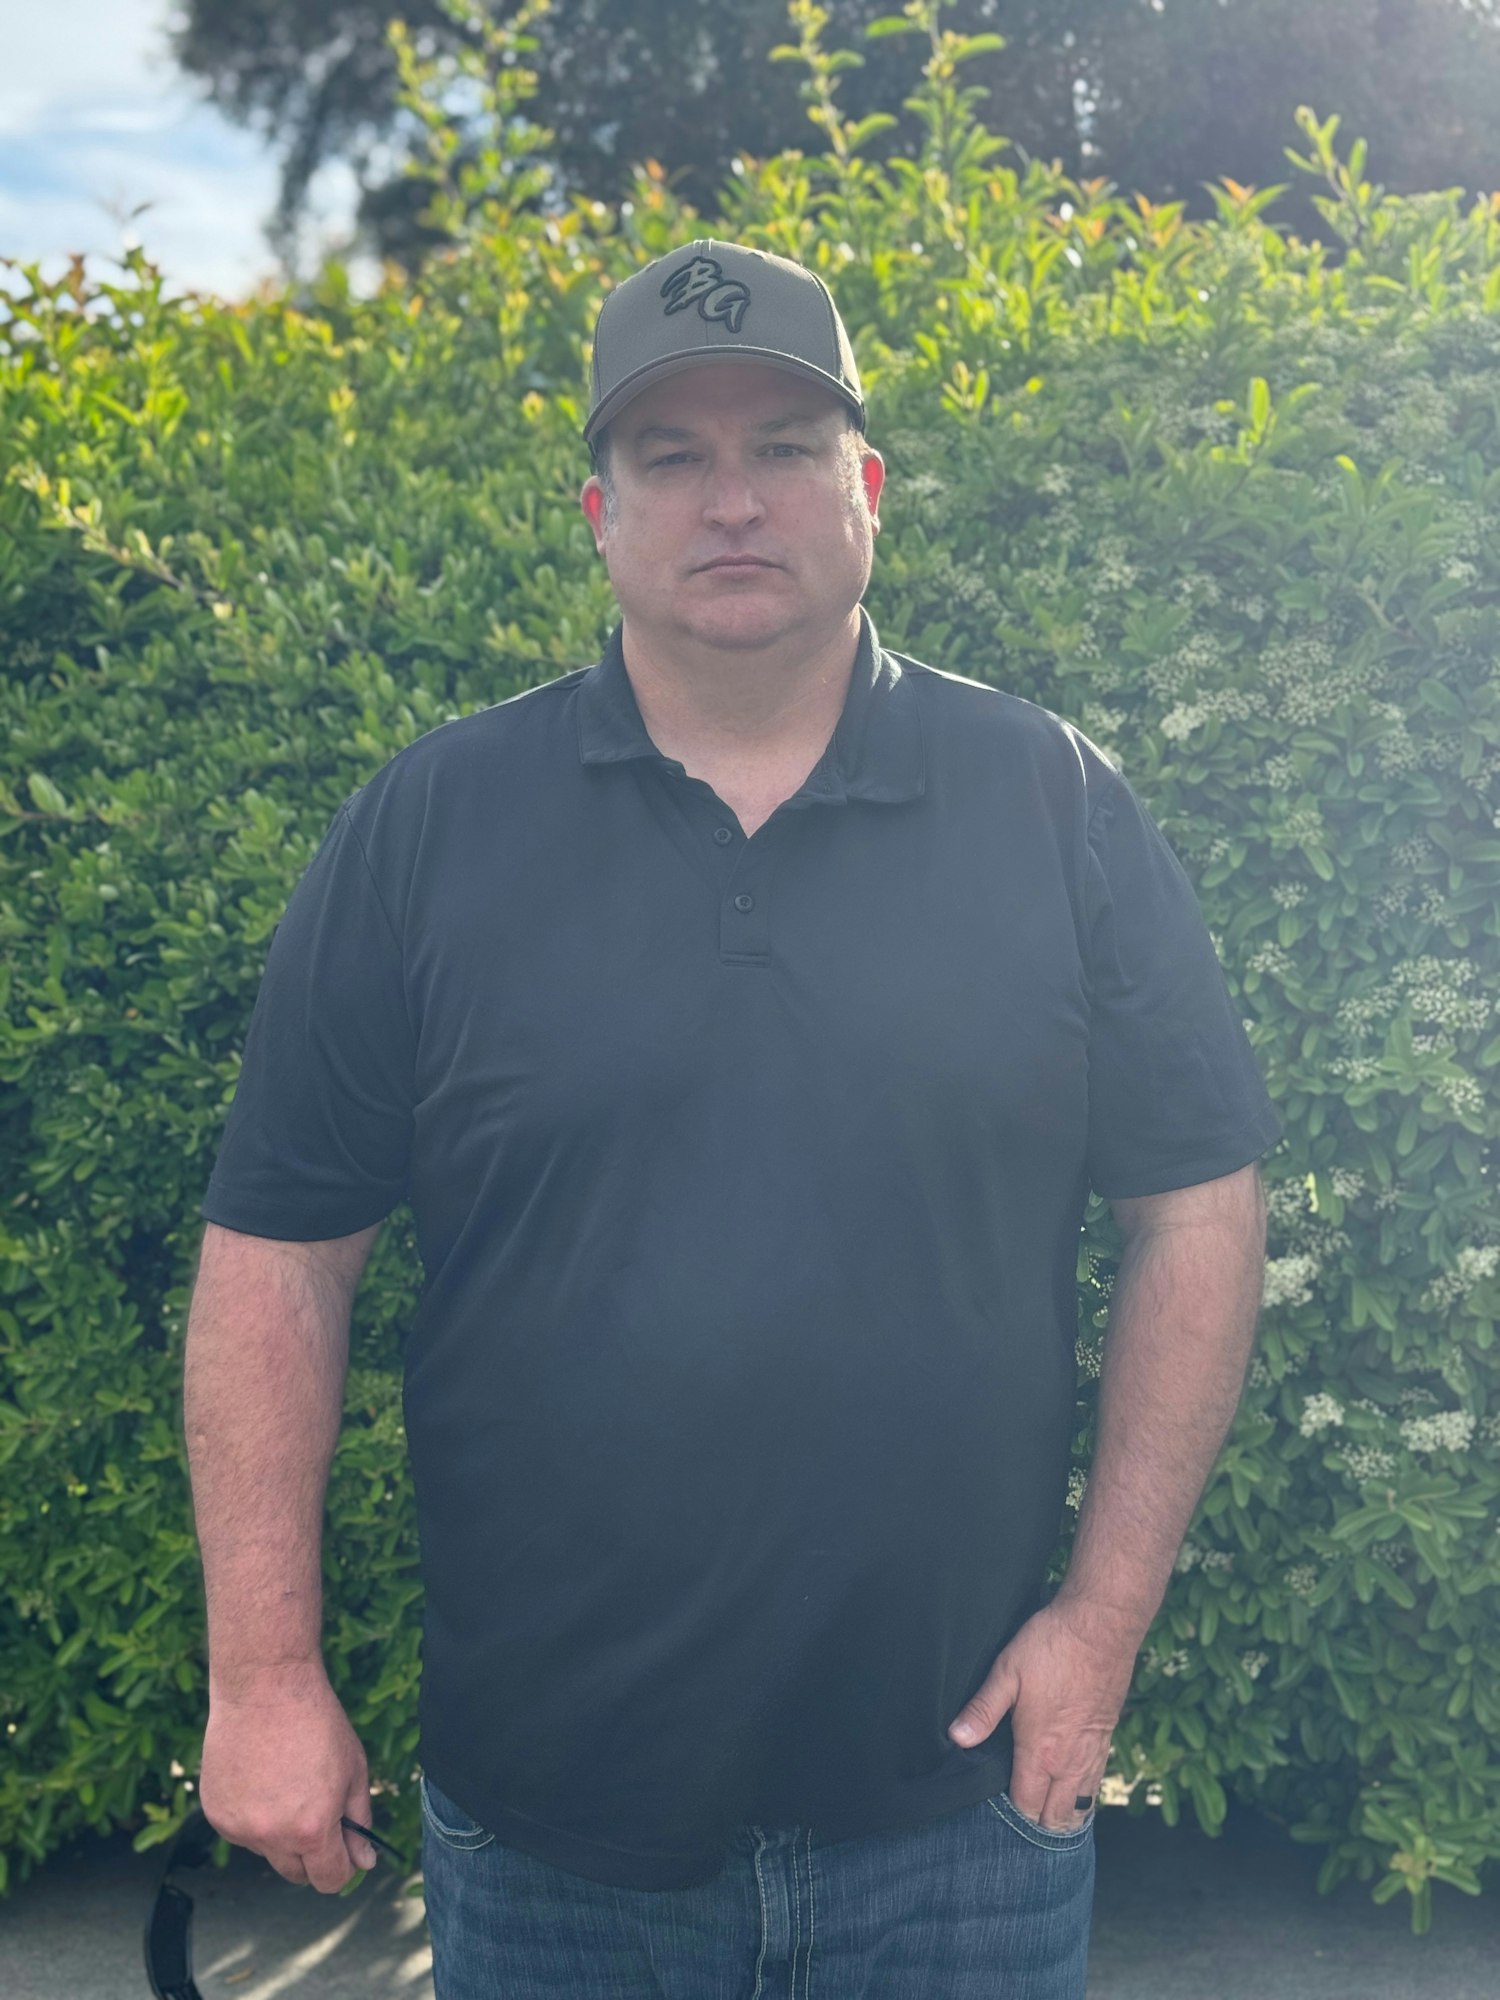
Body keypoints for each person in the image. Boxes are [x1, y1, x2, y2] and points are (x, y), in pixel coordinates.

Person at [186, 238, 1279, 1998]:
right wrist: (263, 1676)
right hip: (551, 1836)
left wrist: (1102, 1627)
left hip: (964, 1814)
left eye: (781, 443)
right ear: (600, 511)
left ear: (865, 491)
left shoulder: (1051, 802)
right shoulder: (431, 826)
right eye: (671, 456)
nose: (731, 499)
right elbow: (277, 1259)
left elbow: (1197, 1209)